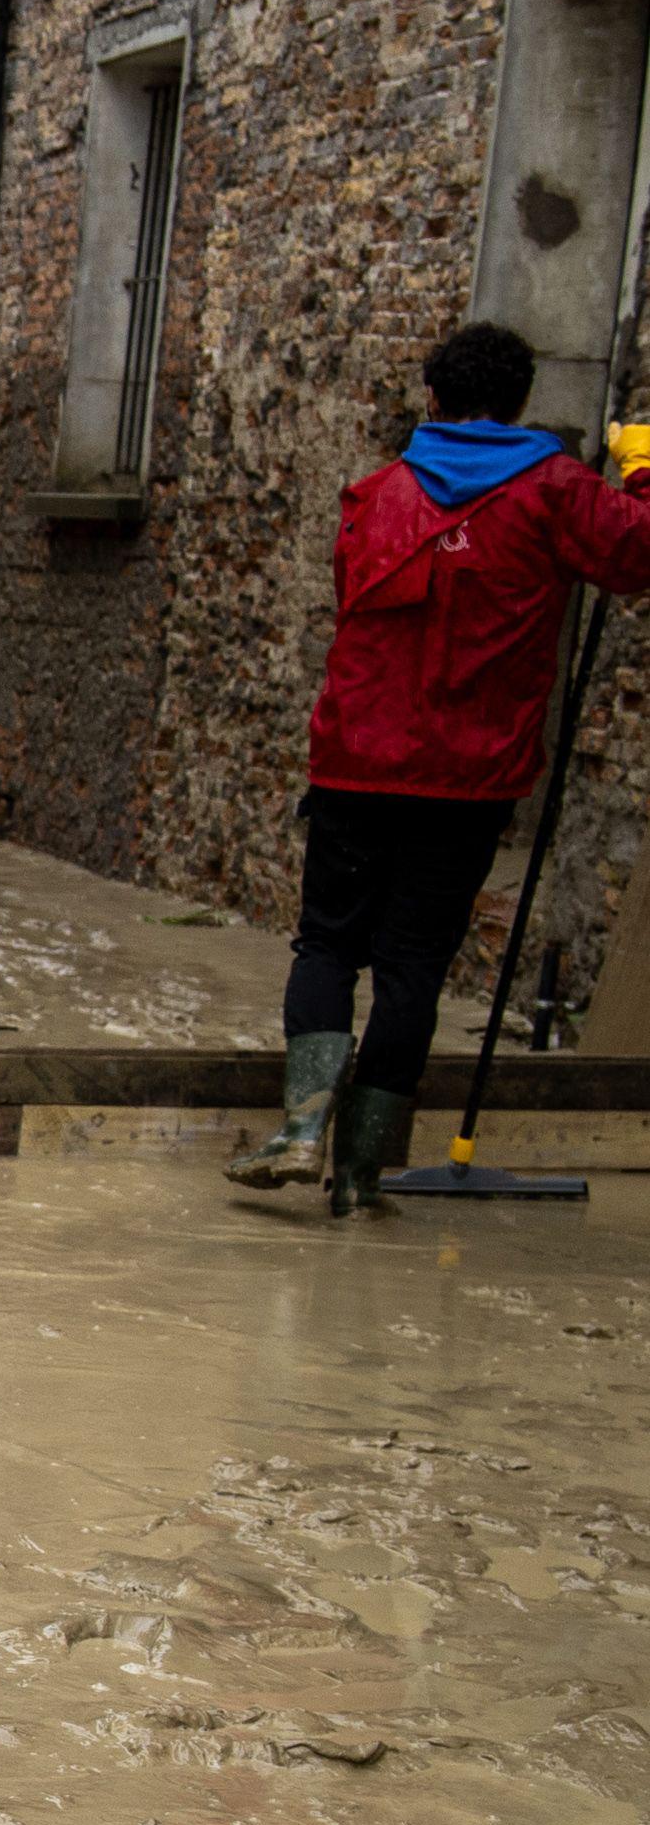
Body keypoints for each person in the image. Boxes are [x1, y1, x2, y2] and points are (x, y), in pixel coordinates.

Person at [225, 319, 650, 1215]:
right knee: (413, 963)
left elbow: (354, 601)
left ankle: (302, 1129)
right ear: (521, 403)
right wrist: (642, 468)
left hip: (356, 761)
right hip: (467, 779)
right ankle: (363, 1167)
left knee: (329, 944)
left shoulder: (376, 496)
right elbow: (636, 554)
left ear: (432, 399)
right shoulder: (556, 491)